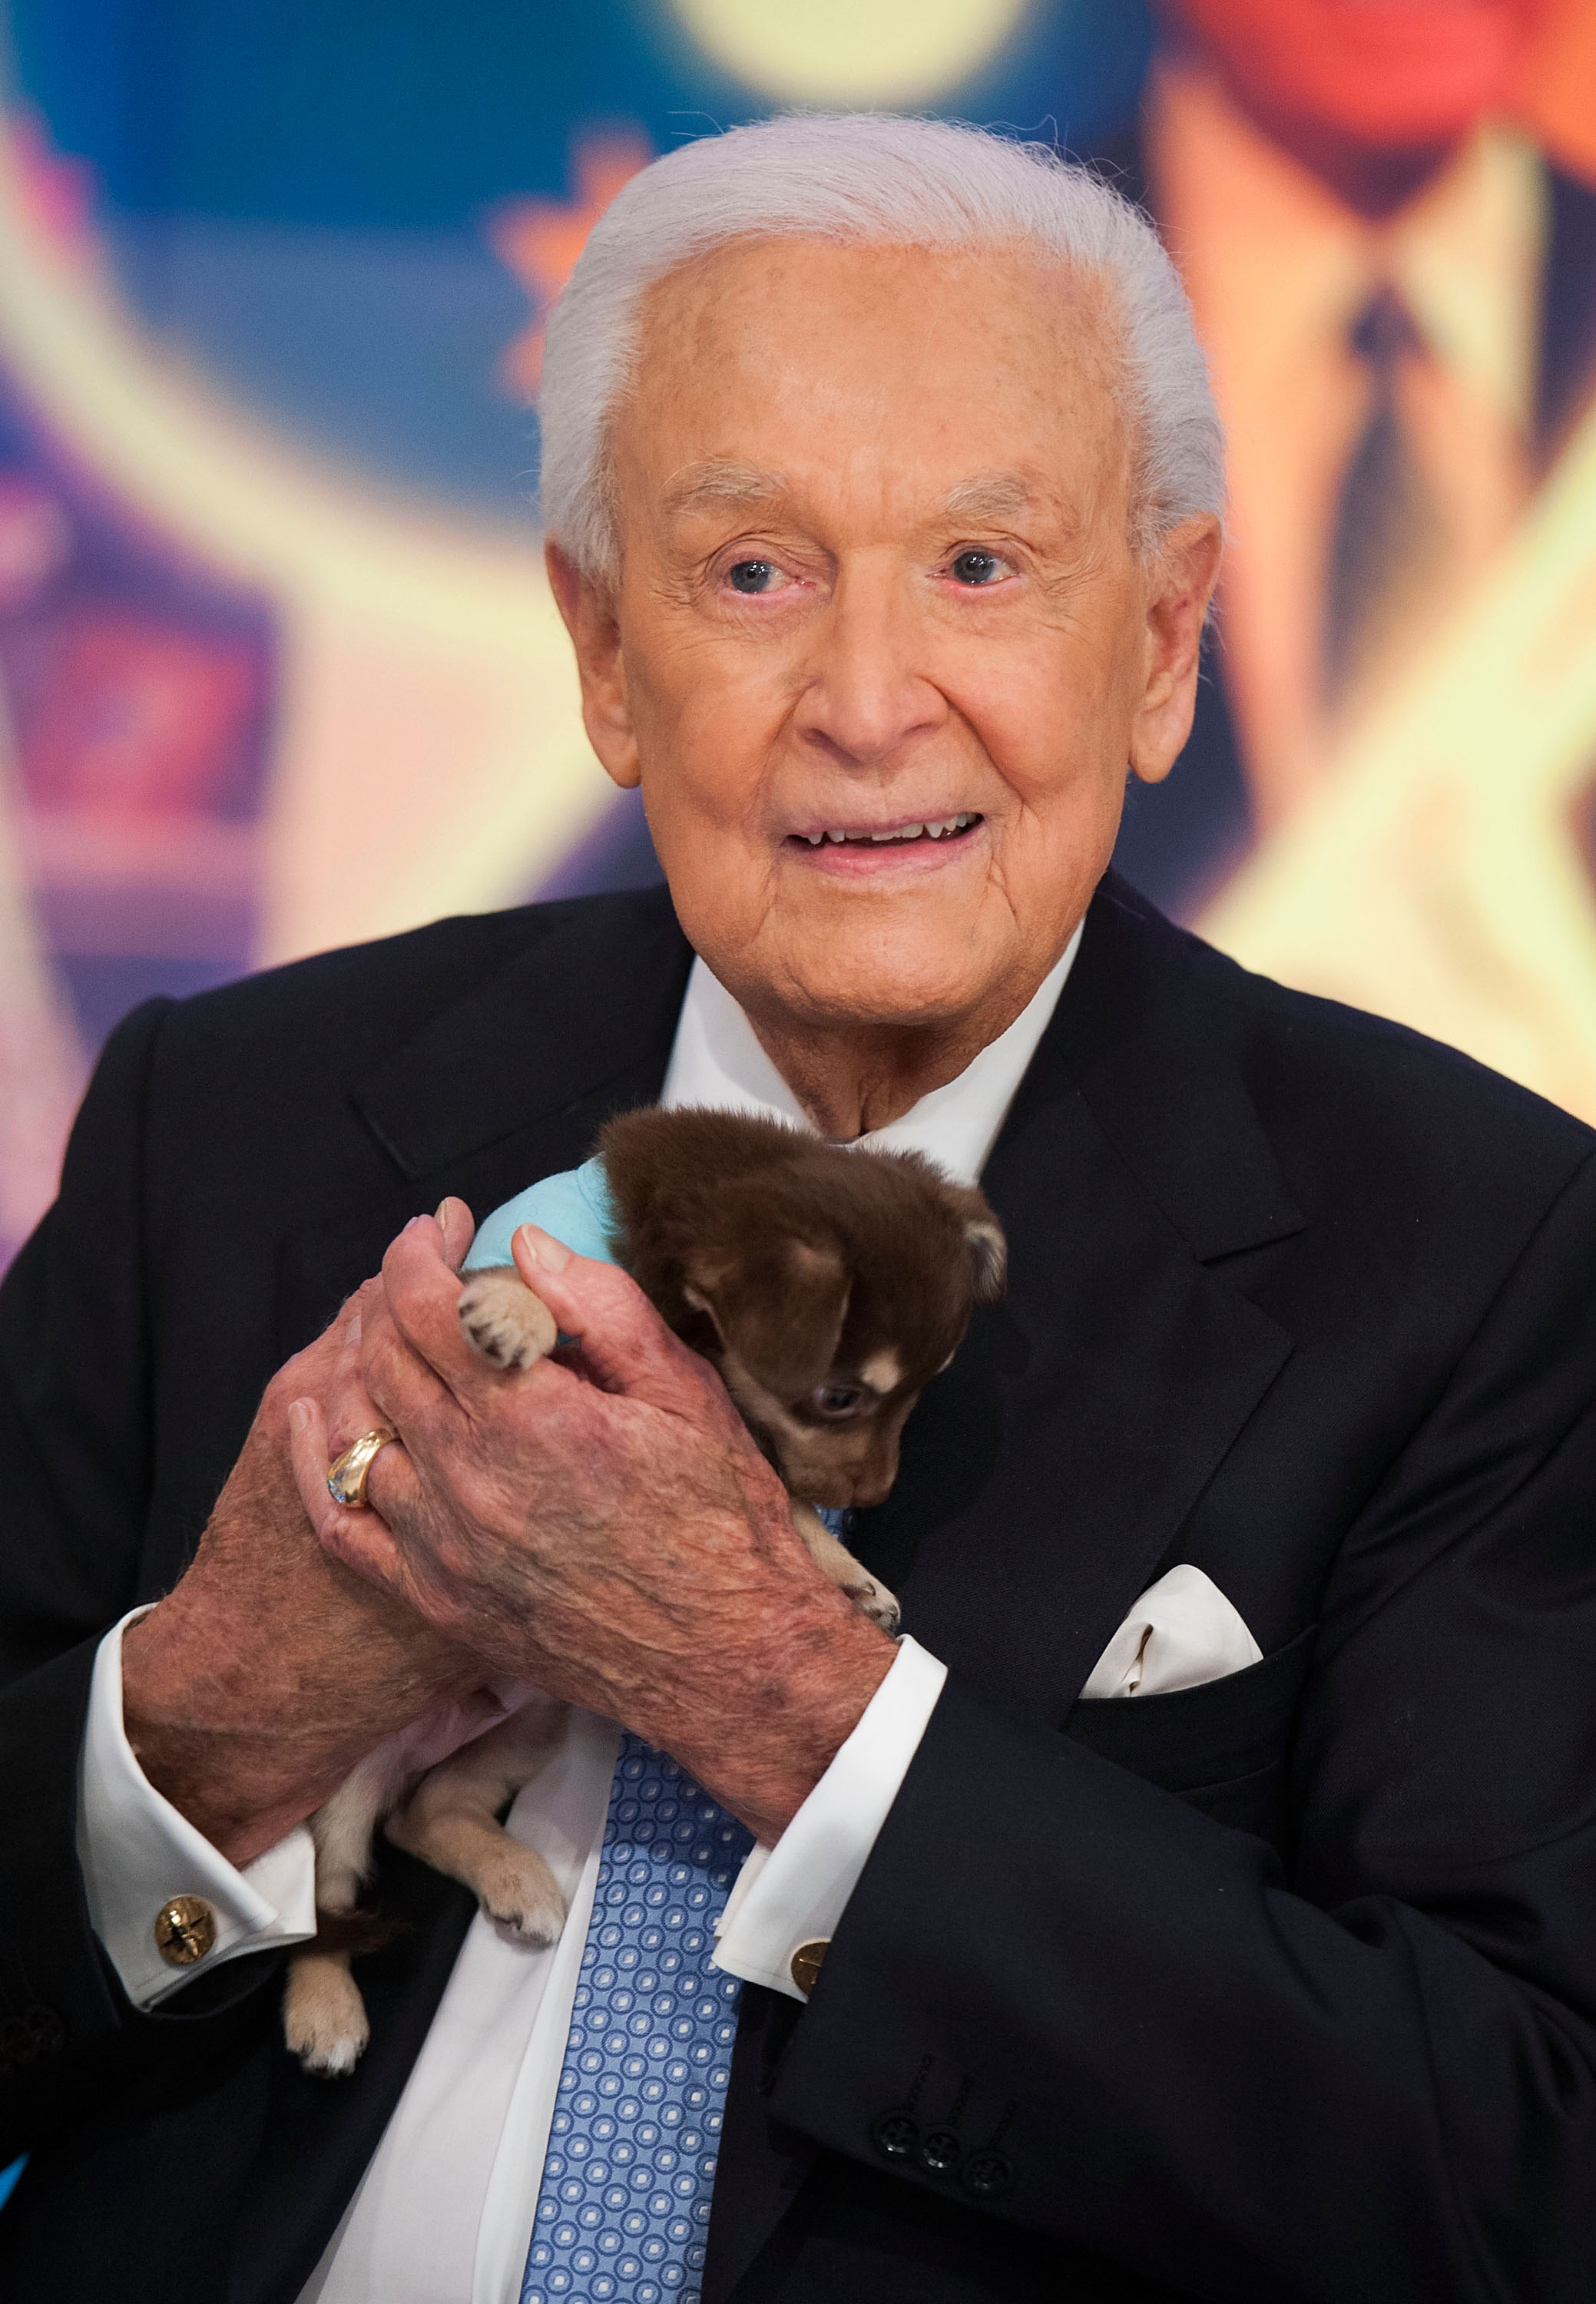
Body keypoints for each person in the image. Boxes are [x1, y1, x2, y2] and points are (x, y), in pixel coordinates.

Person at [2, 113, 1594, 2304]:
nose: (865, 705)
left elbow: (1515, 2167)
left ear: (1160, 640)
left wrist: (789, 1709)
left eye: (979, 566)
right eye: (753, 572)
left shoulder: (1485, 1252)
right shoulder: (238, 1120)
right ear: (602, 647)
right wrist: (215, 1712)